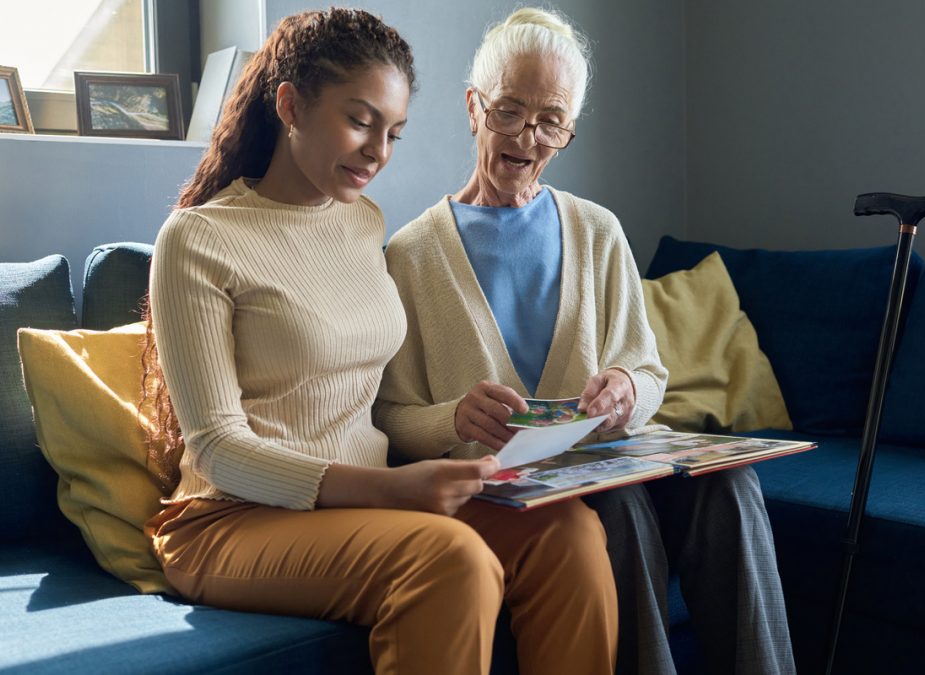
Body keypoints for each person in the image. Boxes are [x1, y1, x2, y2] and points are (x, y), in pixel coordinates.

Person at [141, 9, 617, 675]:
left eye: (393, 131)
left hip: (361, 500)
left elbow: (380, 399)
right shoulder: (196, 240)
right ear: (290, 105)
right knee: (451, 562)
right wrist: (392, 488)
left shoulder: (364, 223)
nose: (378, 151)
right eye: (360, 121)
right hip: (228, 520)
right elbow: (219, 450)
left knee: (567, 532)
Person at [375, 7, 795, 674]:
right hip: (511, 493)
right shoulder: (411, 255)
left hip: (611, 458)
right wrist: (451, 417)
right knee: (620, 510)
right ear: (473, 106)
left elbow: (648, 368)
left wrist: (630, 386)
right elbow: (390, 417)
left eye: (552, 122)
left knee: (733, 484)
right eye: (510, 111)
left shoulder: (599, 230)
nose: (528, 138)